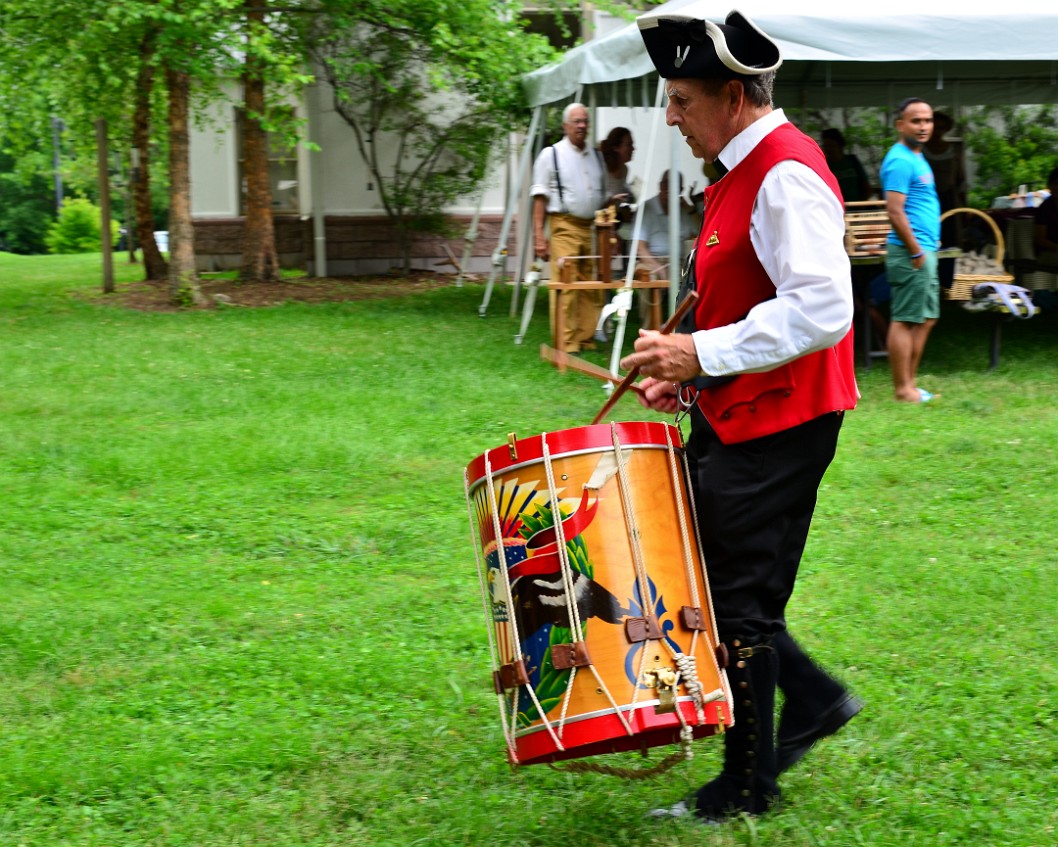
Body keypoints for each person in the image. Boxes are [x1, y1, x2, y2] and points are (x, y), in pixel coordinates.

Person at [622, 8, 861, 823]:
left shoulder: (784, 170)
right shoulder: (739, 166)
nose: (670, 116)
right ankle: (817, 701)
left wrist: (703, 356)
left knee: (735, 603)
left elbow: (823, 306)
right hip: (743, 410)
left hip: (782, 422)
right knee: (723, 589)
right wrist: (684, 369)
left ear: (734, 94)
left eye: (682, 100)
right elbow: (744, 296)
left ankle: (746, 785)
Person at [531, 104, 608, 353]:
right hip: (564, 225)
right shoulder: (551, 155)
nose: (582, 126)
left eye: (585, 121)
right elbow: (539, 198)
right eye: (576, 121)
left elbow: (601, 193)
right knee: (567, 284)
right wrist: (539, 238)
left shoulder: (596, 155)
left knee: (589, 285)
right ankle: (567, 342)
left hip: (591, 227)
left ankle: (585, 337)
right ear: (565, 126)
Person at [881, 97, 942, 403]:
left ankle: (910, 384)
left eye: (927, 120)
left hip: (925, 250)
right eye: (916, 121)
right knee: (905, 318)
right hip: (911, 253)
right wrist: (916, 250)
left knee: (927, 317)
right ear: (901, 125)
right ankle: (902, 389)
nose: (923, 126)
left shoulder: (917, 157)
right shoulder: (900, 160)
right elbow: (895, 211)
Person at [922, 112, 966, 213]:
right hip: (924, 198)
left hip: (949, 198)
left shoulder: (954, 150)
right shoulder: (918, 150)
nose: (938, 132)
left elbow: (960, 180)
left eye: (941, 128)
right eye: (935, 127)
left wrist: (964, 205)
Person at [820, 128, 872, 203]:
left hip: (857, 207)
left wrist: (861, 204)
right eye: (825, 146)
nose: (828, 149)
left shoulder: (852, 161)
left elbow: (865, 185)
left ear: (840, 145)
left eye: (831, 145)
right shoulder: (824, 165)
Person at [1033, 166, 1058, 268]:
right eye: (1055, 184)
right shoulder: (1044, 208)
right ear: (1050, 187)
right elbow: (1040, 239)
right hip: (1047, 253)